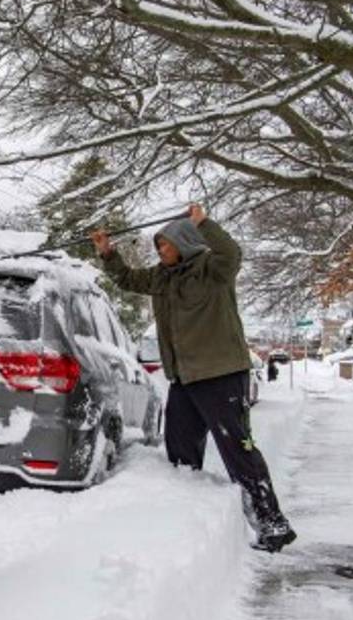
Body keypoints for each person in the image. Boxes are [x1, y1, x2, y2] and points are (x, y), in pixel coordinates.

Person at [91, 203, 296, 553]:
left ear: (184, 243)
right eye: (158, 246)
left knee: (237, 448)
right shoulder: (161, 277)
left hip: (221, 374)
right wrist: (107, 253)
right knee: (180, 445)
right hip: (184, 378)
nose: (161, 251)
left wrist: (204, 223)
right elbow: (127, 279)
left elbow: (232, 253)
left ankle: (271, 523)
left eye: (166, 245)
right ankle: (188, 516)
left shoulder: (211, 269)